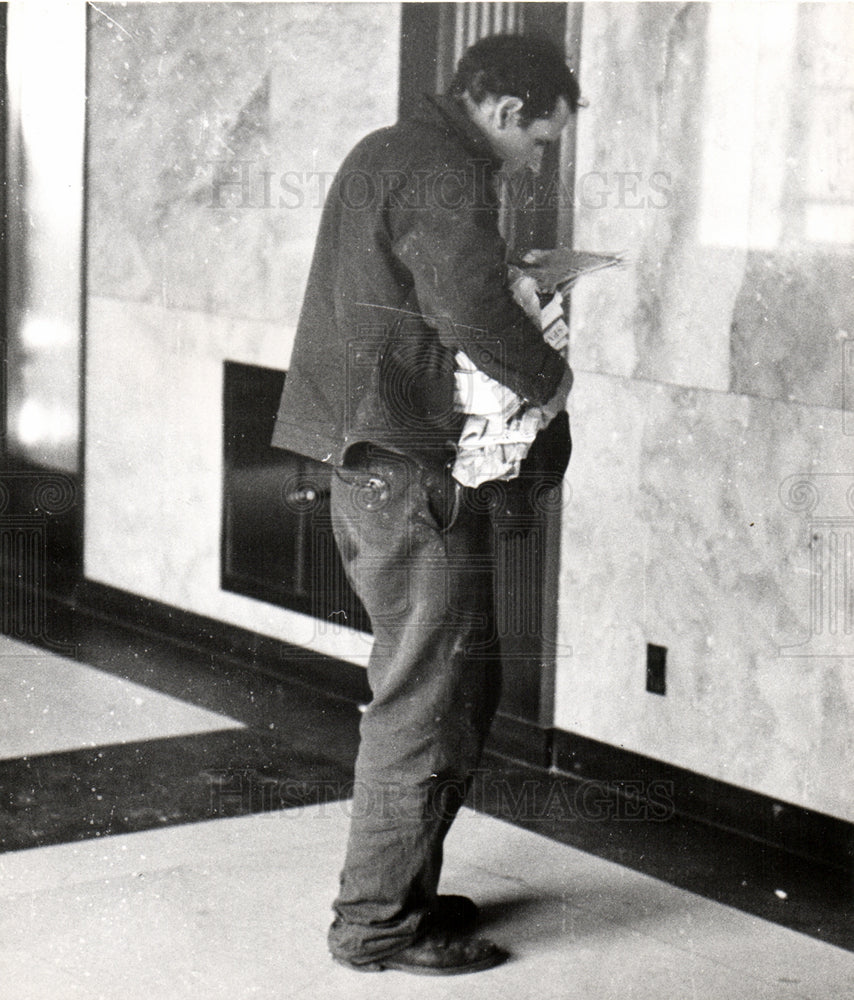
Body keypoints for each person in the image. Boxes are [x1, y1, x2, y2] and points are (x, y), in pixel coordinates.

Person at [271, 34, 581, 976]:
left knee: (455, 683)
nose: (539, 158)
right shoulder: (444, 169)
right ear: (501, 110)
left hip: (378, 456)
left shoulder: (392, 150)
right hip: (405, 471)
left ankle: (399, 893)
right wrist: (551, 377)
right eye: (541, 138)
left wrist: (502, 281)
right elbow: (471, 315)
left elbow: (433, 293)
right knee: (427, 695)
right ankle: (375, 925)